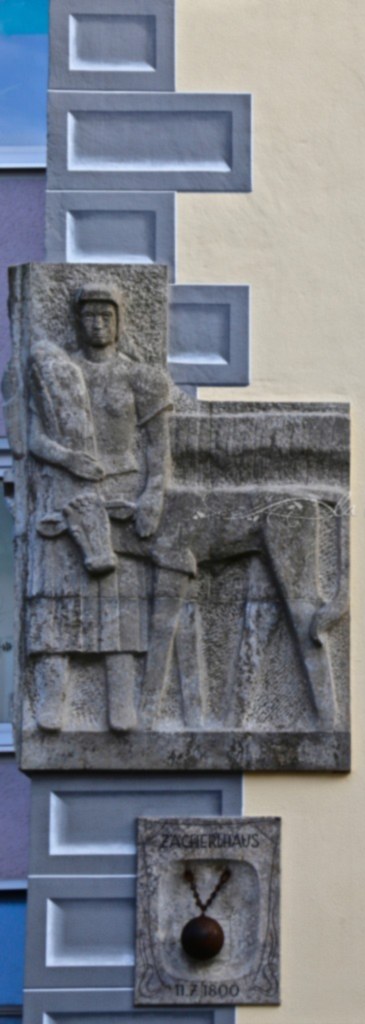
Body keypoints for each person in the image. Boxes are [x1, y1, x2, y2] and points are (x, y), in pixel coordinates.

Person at [27, 285, 173, 732]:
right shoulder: (59, 372)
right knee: (56, 598)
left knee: (121, 602)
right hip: (67, 491)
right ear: (78, 322)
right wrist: (68, 458)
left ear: (119, 322)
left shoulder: (139, 377)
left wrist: (153, 495)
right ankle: (51, 701)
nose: (97, 324)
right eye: (89, 316)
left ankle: (120, 704)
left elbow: (159, 447)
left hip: (122, 491)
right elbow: (34, 437)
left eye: (105, 316)